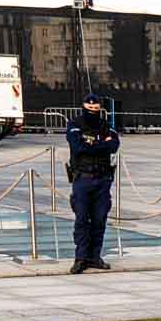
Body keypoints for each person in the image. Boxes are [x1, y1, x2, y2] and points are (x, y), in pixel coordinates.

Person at [64, 93, 119, 274]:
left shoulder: (105, 125)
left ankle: (94, 257)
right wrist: (100, 143)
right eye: (90, 109)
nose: (93, 112)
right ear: (84, 108)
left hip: (102, 180)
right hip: (83, 179)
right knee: (81, 220)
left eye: (96, 110)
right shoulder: (74, 124)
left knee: (99, 220)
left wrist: (92, 144)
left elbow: (114, 146)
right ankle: (81, 258)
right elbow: (77, 147)